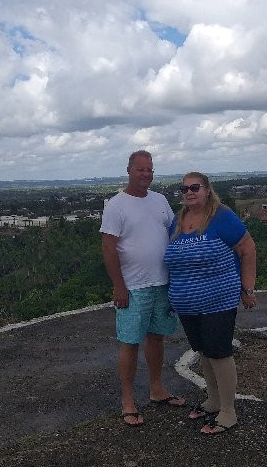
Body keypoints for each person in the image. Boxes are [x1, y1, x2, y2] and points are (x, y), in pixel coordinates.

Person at [164, 171, 257, 435]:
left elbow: (247, 248)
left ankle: (228, 411)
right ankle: (214, 400)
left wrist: (247, 289)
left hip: (218, 300)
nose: (189, 192)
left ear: (207, 190)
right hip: (188, 304)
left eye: (195, 187)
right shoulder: (177, 221)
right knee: (203, 351)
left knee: (219, 351)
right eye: (184, 189)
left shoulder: (221, 216)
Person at [101, 150, 186, 427]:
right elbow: (108, 247)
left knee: (157, 337)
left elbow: (174, 232)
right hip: (133, 286)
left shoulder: (160, 200)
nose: (146, 174)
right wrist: (118, 286)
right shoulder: (116, 205)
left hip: (162, 282)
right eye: (141, 170)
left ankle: (157, 389)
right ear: (128, 170)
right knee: (130, 343)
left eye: (150, 169)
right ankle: (128, 401)